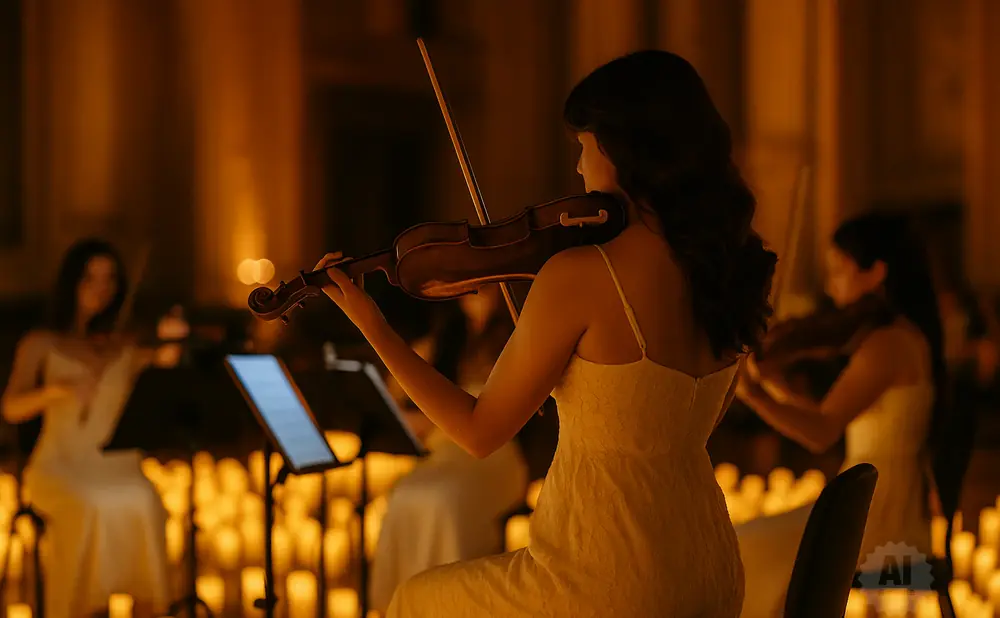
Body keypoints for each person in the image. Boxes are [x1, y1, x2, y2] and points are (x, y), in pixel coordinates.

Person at [311, 50, 776, 617]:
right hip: (710, 570)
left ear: (621, 149)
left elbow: (478, 433)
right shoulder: (729, 270)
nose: (578, 168)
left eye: (584, 146)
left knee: (415, 599)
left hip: (605, 578)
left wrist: (374, 327)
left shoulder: (582, 274)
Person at [734, 214, 946, 617]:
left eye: (838, 271)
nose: (830, 286)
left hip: (877, 514)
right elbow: (826, 414)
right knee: (752, 542)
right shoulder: (899, 337)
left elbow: (823, 431)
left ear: (875, 273)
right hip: (872, 498)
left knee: (746, 546)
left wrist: (755, 395)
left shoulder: (889, 345)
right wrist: (773, 385)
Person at [1, 238, 187, 618]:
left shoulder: (126, 342)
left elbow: (164, 360)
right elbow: (11, 408)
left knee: (145, 499)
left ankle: (143, 606)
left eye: (110, 279)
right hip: (60, 464)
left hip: (118, 463)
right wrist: (57, 390)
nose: (101, 288)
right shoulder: (42, 342)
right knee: (89, 505)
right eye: (90, 278)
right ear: (72, 282)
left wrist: (172, 341)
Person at [370, 284, 529, 612]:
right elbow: (402, 390)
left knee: (445, 500)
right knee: (404, 495)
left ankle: (449, 604)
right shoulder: (447, 338)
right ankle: (410, 603)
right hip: (443, 454)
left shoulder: (517, 334)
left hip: (495, 455)